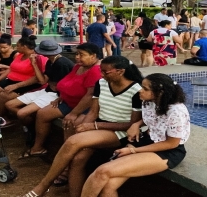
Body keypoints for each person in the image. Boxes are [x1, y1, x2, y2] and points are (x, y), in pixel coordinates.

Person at [21, 56, 144, 196]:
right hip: (98, 128)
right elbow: (93, 111)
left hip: (119, 132)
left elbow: (131, 125)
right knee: (78, 159)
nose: (101, 74)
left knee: (73, 141)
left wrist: (94, 126)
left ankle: (43, 186)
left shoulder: (136, 91)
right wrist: (85, 125)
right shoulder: (101, 83)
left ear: (120, 71)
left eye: (105, 72)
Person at [80, 73, 190, 197]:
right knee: (108, 186)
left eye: (145, 89)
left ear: (159, 92)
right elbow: (153, 118)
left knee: (102, 172)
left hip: (167, 150)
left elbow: (171, 143)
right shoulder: (150, 102)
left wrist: (133, 150)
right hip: (146, 140)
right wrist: (136, 124)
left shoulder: (176, 111)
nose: (140, 91)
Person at [24, 43, 103, 159]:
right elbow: (68, 82)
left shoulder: (95, 70)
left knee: (70, 125)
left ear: (93, 56)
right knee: (42, 114)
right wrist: (61, 96)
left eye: (81, 54)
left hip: (84, 108)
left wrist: (73, 113)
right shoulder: (79, 66)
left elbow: (90, 96)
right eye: (76, 54)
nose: (77, 57)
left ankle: (67, 161)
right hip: (69, 102)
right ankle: (38, 147)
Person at [5, 40, 75, 147]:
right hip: (48, 90)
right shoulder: (50, 61)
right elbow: (43, 80)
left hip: (56, 94)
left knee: (21, 113)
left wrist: (52, 84)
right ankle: (32, 126)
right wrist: (34, 64)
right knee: (9, 105)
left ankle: (33, 132)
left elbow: (57, 86)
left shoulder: (61, 63)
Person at [0, 35, 47, 116]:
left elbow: (38, 78)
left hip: (27, 84)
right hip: (11, 80)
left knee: (3, 96)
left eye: (17, 46)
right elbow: (11, 69)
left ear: (24, 46)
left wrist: (16, 86)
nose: (15, 48)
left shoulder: (38, 58)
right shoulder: (20, 55)